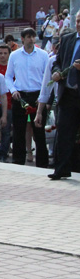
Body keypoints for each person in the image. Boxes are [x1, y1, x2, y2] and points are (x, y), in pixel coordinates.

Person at [5, 28, 49, 168]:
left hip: (37, 96)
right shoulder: (15, 55)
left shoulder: (43, 55)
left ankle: (42, 164)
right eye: (28, 37)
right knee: (18, 131)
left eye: (33, 36)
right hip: (20, 95)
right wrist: (13, 90)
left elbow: (47, 78)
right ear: (23, 39)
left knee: (39, 131)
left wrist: (44, 97)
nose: (31, 39)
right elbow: (8, 76)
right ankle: (18, 162)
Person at [44, 14, 80, 180]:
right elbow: (57, 62)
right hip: (68, 94)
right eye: (78, 21)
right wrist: (57, 72)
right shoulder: (67, 39)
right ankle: (61, 169)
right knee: (64, 132)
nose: (79, 24)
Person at [0, 44, 13, 162]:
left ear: (9, 55)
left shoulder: (12, 67)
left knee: (6, 131)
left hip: (9, 104)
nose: (3, 55)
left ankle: (3, 154)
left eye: (5, 53)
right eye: (0, 53)